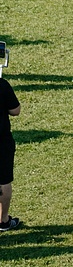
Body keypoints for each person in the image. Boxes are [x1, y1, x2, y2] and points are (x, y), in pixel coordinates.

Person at [0, 69, 21, 232]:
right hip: (1, 142)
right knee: (3, 180)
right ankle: (3, 220)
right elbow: (15, 110)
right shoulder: (2, 85)